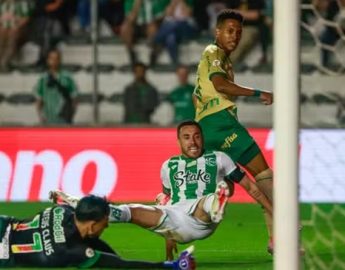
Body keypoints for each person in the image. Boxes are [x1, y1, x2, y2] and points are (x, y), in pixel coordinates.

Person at [51, 120, 273, 260]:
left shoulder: (220, 158)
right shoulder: (168, 166)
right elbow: (167, 201)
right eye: (187, 138)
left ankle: (217, 202)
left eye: (197, 136)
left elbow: (251, 187)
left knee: (209, 198)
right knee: (129, 211)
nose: (193, 142)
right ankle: (76, 203)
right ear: (179, 141)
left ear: (202, 138)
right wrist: (169, 241)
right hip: (175, 219)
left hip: (201, 219)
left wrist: (273, 211)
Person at [192, 9, 274, 253]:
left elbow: (199, 92)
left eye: (238, 32)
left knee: (230, 186)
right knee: (266, 179)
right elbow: (219, 84)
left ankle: (214, 196)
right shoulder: (213, 52)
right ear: (217, 32)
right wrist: (259, 93)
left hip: (209, 127)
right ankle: (284, 234)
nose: (235, 36)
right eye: (229, 31)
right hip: (222, 125)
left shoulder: (217, 59)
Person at [0, 194, 195, 269]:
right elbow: (119, 266)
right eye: (104, 222)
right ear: (92, 224)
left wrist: (113, 255)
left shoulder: (61, 211)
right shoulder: (70, 251)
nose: (107, 225)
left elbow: (93, 241)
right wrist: (172, 266)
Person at [34, 48, 78, 125]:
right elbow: (39, 101)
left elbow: (74, 99)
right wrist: (41, 117)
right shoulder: (42, 79)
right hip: (48, 120)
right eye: (51, 58)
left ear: (60, 60)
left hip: (64, 120)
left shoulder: (67, 78)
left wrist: (71, 116)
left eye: (56, 59)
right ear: (47, 60)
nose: (54, 61)